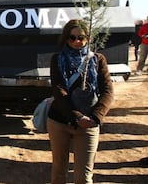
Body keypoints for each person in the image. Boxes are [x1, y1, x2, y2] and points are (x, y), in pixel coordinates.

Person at [47, 19, 114, 184]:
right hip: (60, 121)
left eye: (81, 37)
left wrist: (96, 116)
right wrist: (77, 116)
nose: (77, 41)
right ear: (65, 38)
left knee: (83, 178)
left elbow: (108, 91)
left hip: (89, 123)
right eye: (72, 37)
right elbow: (58, 89)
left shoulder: (98, 59)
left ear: (88, 38)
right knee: (59, 171)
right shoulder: (57, 59)